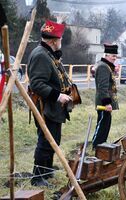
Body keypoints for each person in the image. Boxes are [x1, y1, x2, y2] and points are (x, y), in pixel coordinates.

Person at [27, 20, 73, 186]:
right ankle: (37, 177)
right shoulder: (41, 55)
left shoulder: (49, 53)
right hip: (46, 106)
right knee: (46, 141)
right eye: (59, 40)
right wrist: (58, 96)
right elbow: (37, 83)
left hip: (53, 107)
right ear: (54, 41)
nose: (60, 43)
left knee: (54, 139)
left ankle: (46, 171)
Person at [92, 44, 119, 148]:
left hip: (106, 103)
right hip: (103, 104)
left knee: (105, 126)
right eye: (113, 56)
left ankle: (101, 146)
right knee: (102, 126)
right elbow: (102, 87)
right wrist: (107, 103)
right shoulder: (103, 66)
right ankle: (96, 146)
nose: (114, 58)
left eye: (116, 56)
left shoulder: (107, 66)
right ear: (106, 55)